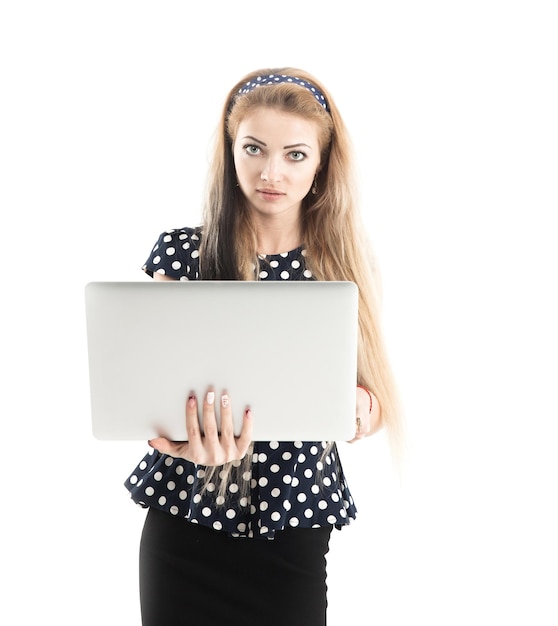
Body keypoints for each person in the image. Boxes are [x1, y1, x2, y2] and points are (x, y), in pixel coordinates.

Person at [124, 67, 403, 626]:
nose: (270, 171)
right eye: (253, 149)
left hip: (292, 525)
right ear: (231, 153)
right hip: (187, 521)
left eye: (295, 154)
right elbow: (146, 395)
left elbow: (369, 399)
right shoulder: (184, 254)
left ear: (322, 164)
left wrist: (362, 409)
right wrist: (180, 444)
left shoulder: (340, 265)